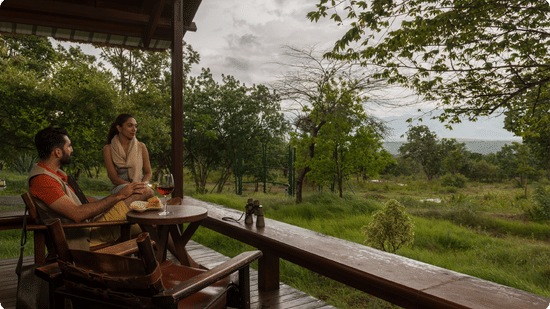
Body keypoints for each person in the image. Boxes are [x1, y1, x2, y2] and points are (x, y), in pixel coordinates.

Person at [29, 126, 154, 250]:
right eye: (69, 146)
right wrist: (119, 196)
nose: (71, 150)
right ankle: (158, 266)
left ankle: (161, 266)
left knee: (155, 225)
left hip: (90, 225)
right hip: (85, 236)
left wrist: (110, 204)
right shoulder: (43, 180)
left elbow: (81, 201)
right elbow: (77, 213)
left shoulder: (56, 174)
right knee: (146, 192)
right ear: (57, 152)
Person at [103, 114, 153, 194]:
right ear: (119, 128)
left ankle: (124, 205)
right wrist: (133, 187)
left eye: (135, 126)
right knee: (130, 191)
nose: (134, 129)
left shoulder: (141, 146)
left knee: (148, 191)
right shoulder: (108, 149)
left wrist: (142, 184)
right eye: (130, 126)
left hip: (141, 186)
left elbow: (148, 173)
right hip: (121, 187)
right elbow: (114, 178)